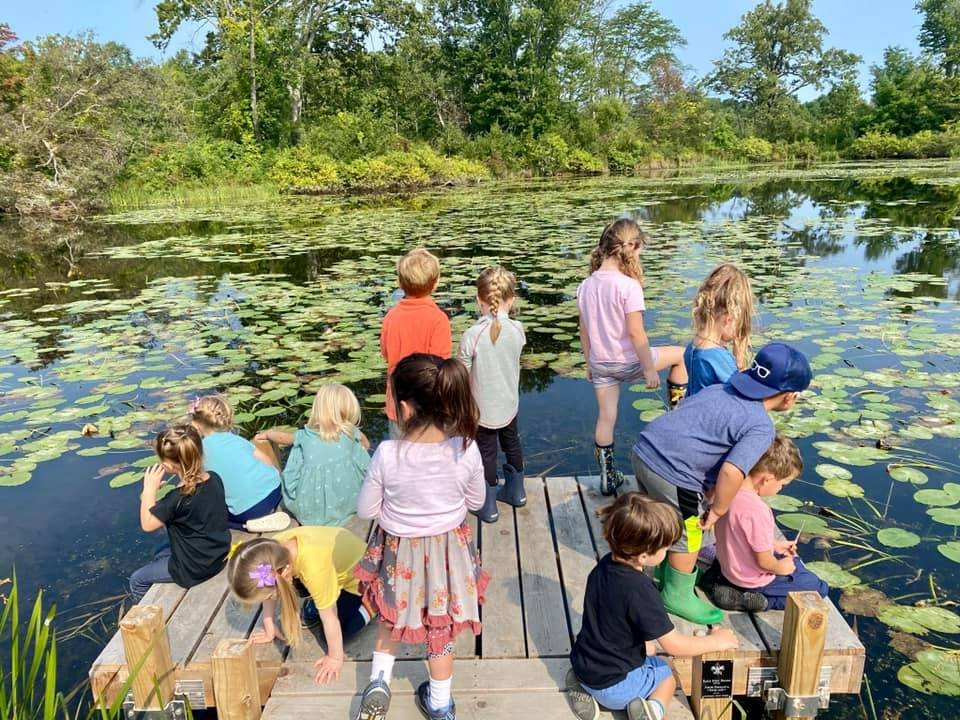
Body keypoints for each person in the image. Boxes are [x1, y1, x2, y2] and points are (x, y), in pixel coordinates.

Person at [631, 342, 812, 624]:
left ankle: (667, 575)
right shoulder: (760, 425)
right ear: (789, 397)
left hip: (644, 451)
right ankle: (677, 594)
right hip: (675, 471)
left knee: (668, 522)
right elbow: (731, 471)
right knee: (690, 533)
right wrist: (718, 509)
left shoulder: (720, 390)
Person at [353, 354, 488, 720]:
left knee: (390, 616)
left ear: (404, 407)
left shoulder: (387, 453)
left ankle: (378, 683)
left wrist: (397, 517)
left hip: (399, 555)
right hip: (449, 556)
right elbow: (476, 501)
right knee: (440, 627)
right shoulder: (466, 449)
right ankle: (441, 702)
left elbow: (366, 509)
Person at [566, 493, 738, 720]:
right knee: (666, 673)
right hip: (616, 687)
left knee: (649, 651)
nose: (667, 552)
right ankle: (652, 712)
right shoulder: (641, 590)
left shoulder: (603, 568)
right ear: (645, 555)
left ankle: (585, 690)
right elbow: (675, 645)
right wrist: (716, 641)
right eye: (665, 548)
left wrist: (646, 642)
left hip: (584, 667)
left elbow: (615, 618)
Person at [577, 219, 688, 496]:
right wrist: (649, 370)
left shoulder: (585, 285)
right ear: (633, 247)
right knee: (681, 356)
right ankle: (678, 418)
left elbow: (584, 328)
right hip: (630, 362)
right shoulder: (629, 286)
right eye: (639, 250)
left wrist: (589, 362)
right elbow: (637, 334)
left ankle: (607, 477)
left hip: (601, 363)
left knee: (606, 418)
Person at [226, 529, 375, 684]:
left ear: (282, 573)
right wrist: (269, 623)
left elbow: (330, 618)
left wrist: (335, 657)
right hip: (332, 566)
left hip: (361, 580)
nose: (269, 599)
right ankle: (323, 595)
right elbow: (269, 587)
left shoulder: (314, 568)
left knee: (339, 631)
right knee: (313, 608)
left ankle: (372, 603)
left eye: (269, 596)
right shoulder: (272, 551)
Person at [707, 433, 829, 611]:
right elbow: (765, 563)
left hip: (728, 569)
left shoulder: (725, 491)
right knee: (818, 588)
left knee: (792, 562)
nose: (781, 489)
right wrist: (780, 567)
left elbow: (738, 537)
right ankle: (757, 601)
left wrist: (774, 545)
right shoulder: (758, 511)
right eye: (783, 484)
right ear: (767, 479)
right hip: (752, 581)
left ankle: (719, 582)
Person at [129, 424, 230, 603]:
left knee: (137, 579)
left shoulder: (177, 498)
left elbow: (147, 524)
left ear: (167, 465)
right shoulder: (214, 478)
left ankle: (150, 614)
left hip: (194, 569)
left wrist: (149, 490)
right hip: (219, 554)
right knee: (160, 551)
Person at [458, 266, 526, 523]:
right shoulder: (518, 330)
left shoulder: (472, 336)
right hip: (509, 404)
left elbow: (462, 375)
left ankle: (488, 505)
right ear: (512, 300)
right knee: (512, 443)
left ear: (479, 300)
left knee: (486, 453)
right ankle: (517, 492)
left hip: (481, 409)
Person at [256, 384, 371, 527]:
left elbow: (283, 438)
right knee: (357, 453)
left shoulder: (305, 435)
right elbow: (366, 445)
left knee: (298, 452)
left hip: (308, 509)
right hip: (346, 503)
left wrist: (268, 434)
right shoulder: (351, 432)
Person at [189, 395, 289, 532]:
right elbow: (267, 461)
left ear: (196, 425)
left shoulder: (198, 452)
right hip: (276, 491)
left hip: (250, 511)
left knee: (213, 512)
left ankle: (244, 526)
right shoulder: (237, 439)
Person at [380, 247, 452, 437]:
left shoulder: (390, 317)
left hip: (398, 404)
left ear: (400, 283)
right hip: (429, 408)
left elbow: (386, 353)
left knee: (400, 458)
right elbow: (440, 366)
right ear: (436, 283)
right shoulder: (438, 319)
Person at [685, 263, 755, 396]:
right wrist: (740, 361)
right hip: (712, 415)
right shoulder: (718, 358)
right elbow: (743, 395)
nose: (738, 334)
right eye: (740, 324)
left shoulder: (693, 347)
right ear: (729, 319)